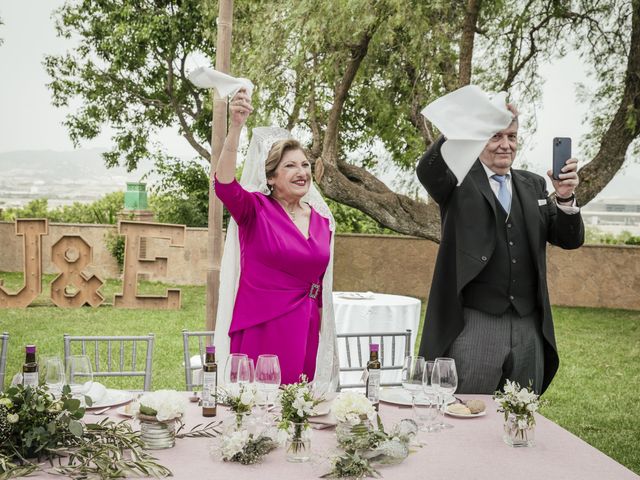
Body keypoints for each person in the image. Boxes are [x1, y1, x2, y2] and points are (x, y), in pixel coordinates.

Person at [416, 105, 584, 395]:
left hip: (527, 324)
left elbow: (568, 239)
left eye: (512, 137)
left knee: (521, 414)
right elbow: (427, 170)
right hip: (476, 322)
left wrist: (565, 198)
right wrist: (466, 122)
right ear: (480, 139)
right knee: (467, 412)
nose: (505, 145)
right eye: (495, 136)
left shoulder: (533, 184)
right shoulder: (457, 180)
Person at [213, 88, 339, 388]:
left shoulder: (323, 222)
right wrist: (236, 128)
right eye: (290, 166)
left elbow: (321, 286)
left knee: (300, 415)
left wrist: (324, 340)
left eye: (305, 165)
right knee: (258, 415)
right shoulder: (254, 210)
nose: (302, 172)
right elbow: (224, 185)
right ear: (270, 177)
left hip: (307, 330)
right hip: (261, 329)